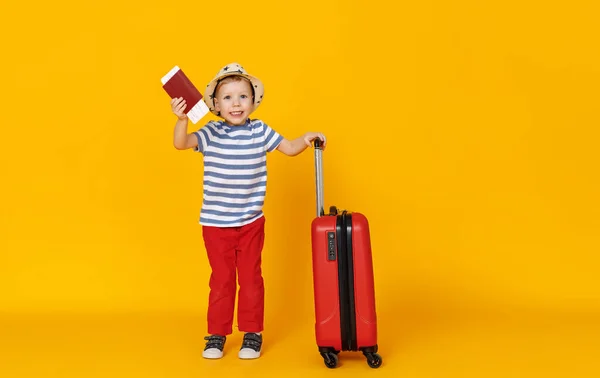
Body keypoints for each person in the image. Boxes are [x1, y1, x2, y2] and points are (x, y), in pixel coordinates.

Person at [170, 62, 326, 360]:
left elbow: (290, 148)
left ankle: (252, 333)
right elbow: (181, 143)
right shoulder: (211, 132)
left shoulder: (260, 131)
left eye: (243, 96)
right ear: (215, 104)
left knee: (252, 278)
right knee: (222, 278)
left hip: (251, 221)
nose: (236, 103)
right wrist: (181, 120)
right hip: (216, 224)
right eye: (227, 98)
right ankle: (216, 334)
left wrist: (306, 140)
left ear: (254, 102)